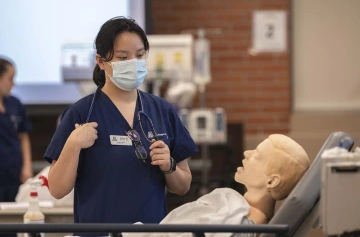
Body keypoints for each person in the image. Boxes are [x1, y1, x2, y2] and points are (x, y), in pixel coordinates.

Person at [44, 16, 199, 229]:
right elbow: (57, 189)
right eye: (123, 57)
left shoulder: (162, 111)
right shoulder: (81, 113)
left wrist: (169, 166)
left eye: (140, 55)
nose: (133, 63)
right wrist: (73, 145)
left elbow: (183, 187)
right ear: (101, 61)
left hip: (150, 233)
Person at [123, 134, 310, 237]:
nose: (246, 153)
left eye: (257, 155)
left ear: (272, 181)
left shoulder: (250, 221)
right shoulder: (238, 204)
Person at [0, 56, 33, 202]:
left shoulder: (15, 104)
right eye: (10, 78)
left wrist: (27, 166)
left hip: (14, 172)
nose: (13, 84)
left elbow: (23, 137)